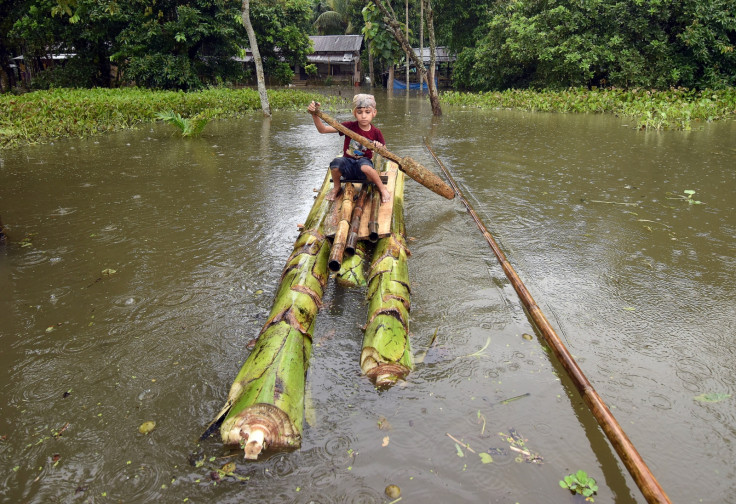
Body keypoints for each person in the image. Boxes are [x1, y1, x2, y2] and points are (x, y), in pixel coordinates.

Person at [308, 94, 391, 203]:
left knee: (366, 167)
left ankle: (382, 189)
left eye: (367, 112)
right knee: (335, 163)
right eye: (360, 112)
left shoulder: (376, 132)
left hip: (363, 164)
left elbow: (385, 153)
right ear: (355, 113)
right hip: (347, 164)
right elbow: (323, 129)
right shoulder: (349, 126)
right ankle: (336, 187)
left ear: (374, 113)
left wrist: (379, 146)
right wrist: (315, 114)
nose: (364, 116)